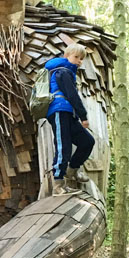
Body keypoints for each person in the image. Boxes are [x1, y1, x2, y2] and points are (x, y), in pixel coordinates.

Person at [45, 43, 95, 195]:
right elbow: (72, 95)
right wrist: (83, 116)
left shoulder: (68, 72)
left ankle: (71, 171)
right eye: (76, 57)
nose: (79, 61)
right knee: (63, 147)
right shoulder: (62, 71)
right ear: (66, 56)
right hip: (59, 112)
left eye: (81, 58)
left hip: (68, 114)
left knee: (87, 141)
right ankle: (58, 185)